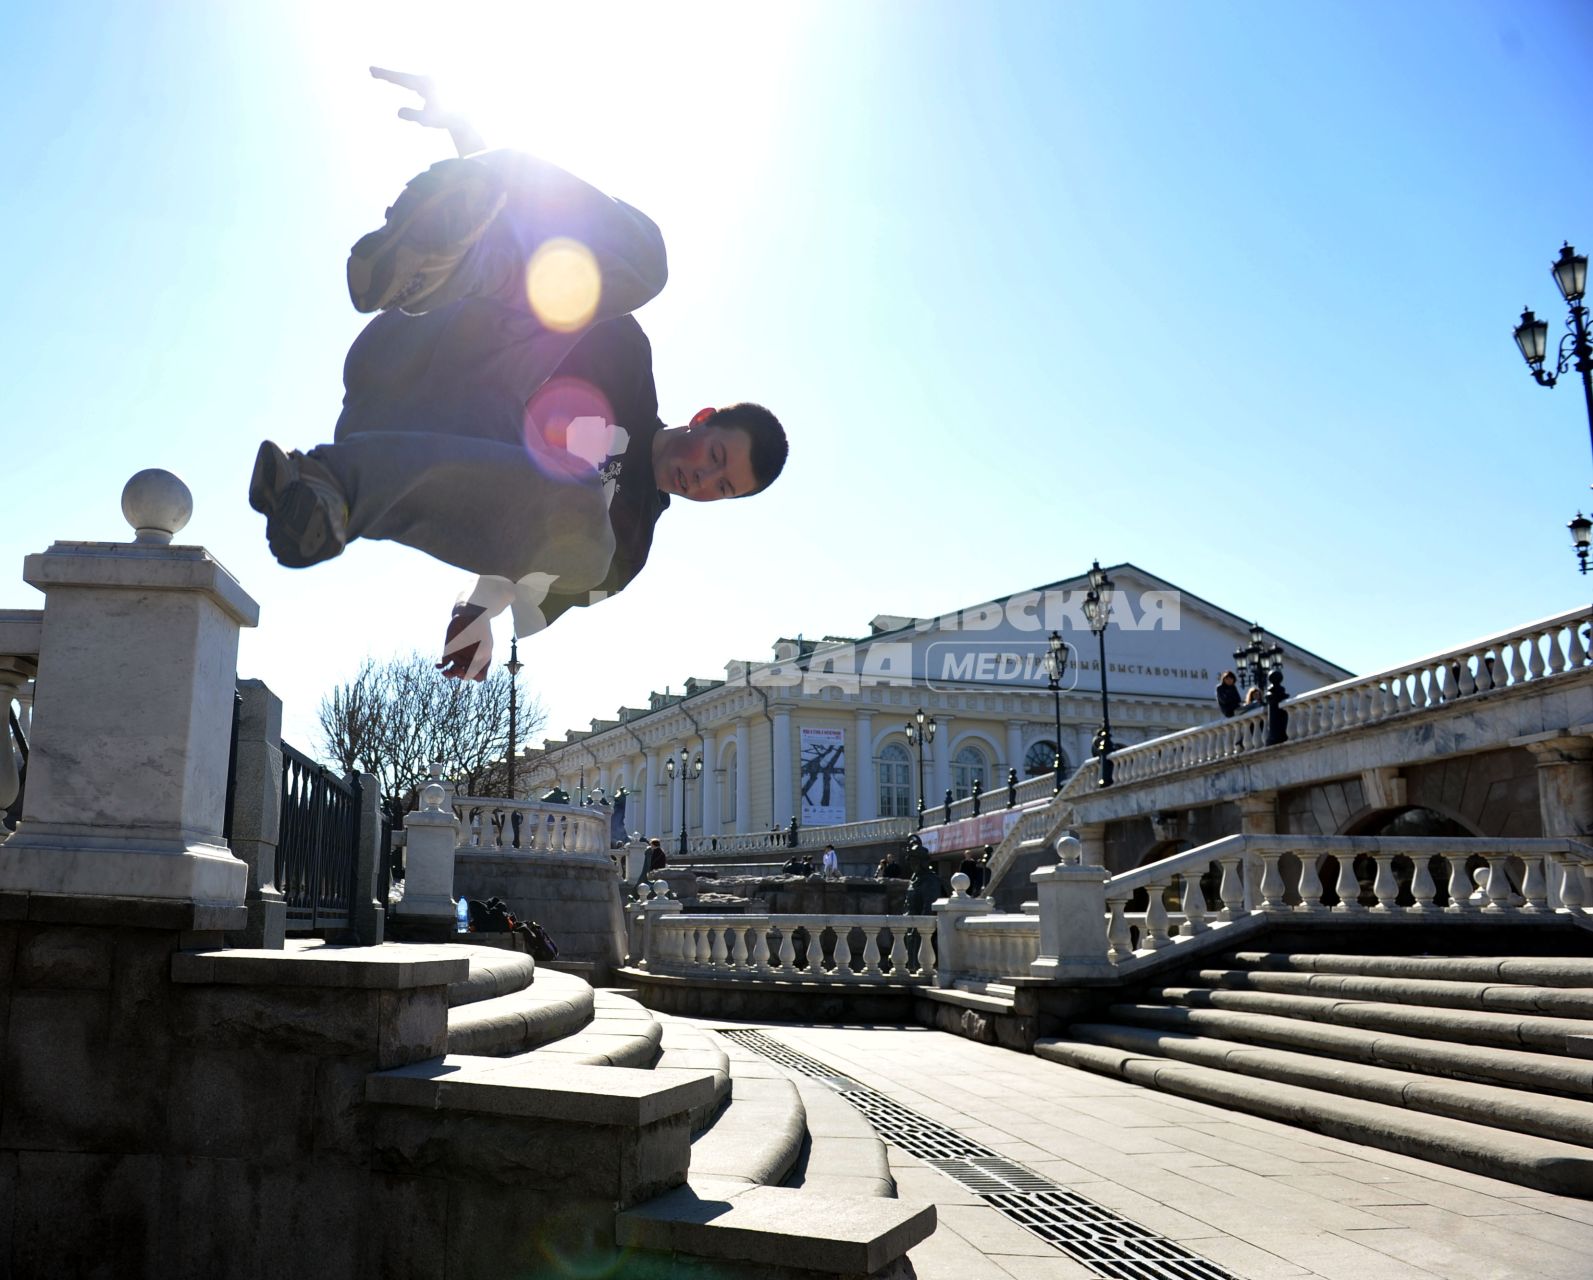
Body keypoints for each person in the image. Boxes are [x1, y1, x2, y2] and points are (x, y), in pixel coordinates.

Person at [250, 68, 789, 680]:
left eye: (720, 489)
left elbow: (519, 559)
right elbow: (545, 238)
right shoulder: (627, 358)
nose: (700, 477)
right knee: (637, 269)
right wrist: (468, 137)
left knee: (591, 546)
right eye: (715, 457)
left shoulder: (630, 539)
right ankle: (453, 259)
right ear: (702, 420)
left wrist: (476, 612)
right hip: (419, 345)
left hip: (387, 445)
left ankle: (324, 493)